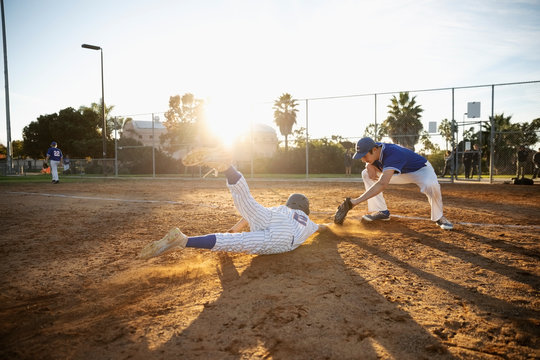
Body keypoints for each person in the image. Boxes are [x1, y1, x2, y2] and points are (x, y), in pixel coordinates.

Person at [139, 149, 328, 259]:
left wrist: (234, 228)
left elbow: (249, 214)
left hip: (272, 218)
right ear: (305, 208)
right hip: (285, 238)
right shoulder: (308, 222)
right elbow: (322, 228)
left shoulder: (282, 209)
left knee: (246, 201)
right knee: (234, 243)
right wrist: (333, 228)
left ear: (291, 202)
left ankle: (228, 168)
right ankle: (183, 240)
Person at [339, 137, 453, 230]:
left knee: (431, 185)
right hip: (399, 172)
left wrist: (354, 202)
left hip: (420, 170)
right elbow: (373, 163)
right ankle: (381, 211)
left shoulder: (393, 154)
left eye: (364, 156)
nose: (363, 159)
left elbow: (383, 184)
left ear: (374, 150)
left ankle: (439, 217)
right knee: (366, 173)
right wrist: (368, 165)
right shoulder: (375, 147)